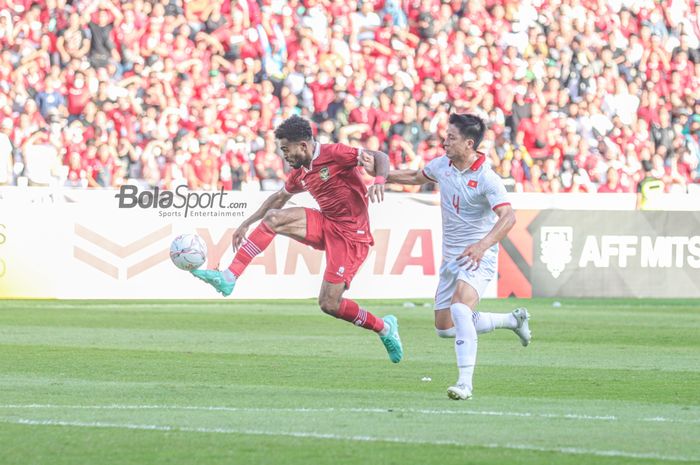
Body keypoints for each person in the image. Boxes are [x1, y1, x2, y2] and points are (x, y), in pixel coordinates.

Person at [191, 115, 403, 363]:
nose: (284, 156)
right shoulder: (300, 173)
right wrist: (247, 222)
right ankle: (229, 277)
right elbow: (278, 199)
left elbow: (380, 157)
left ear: (303, 145)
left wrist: (379, 180)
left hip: (352, 236)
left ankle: (385, 328)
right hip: (326, 224)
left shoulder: (335, 153)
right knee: (273, 218)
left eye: (286, 149)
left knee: (329, 304)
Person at [362, 114, 531, 399]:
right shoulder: (443, 165)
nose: (444, 142)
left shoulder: (487, 178)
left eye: (451, 138)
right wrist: (380, 174)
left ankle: (465, 383)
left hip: (478, 256)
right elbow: (417, 177)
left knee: (460, 311)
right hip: (451, 258)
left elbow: (509, 217)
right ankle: (513, 321)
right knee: (445, 328)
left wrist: (482, 245)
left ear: (469, 144)